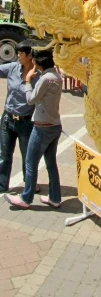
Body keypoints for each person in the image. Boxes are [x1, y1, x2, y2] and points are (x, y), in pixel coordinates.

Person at [5, 48, 62, 208]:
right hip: (55, 125)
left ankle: (26, 198)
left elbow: (30, 99)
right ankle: (55, 198)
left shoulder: (45, 79)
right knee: (51, 163)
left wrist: (28, 81)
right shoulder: (57, 76)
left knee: (30, 162)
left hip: (42, 127)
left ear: (38, 62)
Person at [0, 40, 40, 194]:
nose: (18, 56)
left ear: (30, 56)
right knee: (4, 155)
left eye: (21, 54)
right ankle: (2, 185)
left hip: (26, 122)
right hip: (8, 119)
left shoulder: (39, 75)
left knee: (27, 157)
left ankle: (29, 185)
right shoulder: (12, 68)